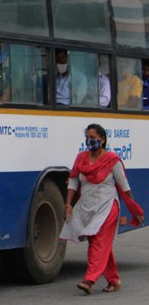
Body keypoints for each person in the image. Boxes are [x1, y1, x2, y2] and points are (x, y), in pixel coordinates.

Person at [60, 124, 144, 294]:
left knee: (98, 243)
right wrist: (68, 204)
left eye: (93, 137)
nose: (89, 141)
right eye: (87, 137)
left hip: (108, 206)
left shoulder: (112, 160)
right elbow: (74, 181)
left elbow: (124, 186)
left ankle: (89, 280)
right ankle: (114, 280)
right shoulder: (81, 158)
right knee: (99, 243)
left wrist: (134, 208)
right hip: (87, 207)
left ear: (102, 139)